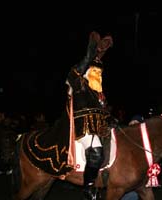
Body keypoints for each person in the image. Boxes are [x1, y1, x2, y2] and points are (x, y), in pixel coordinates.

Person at [66, 31, 113, 200]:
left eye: (100, 73)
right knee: (96, 152)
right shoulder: (78, 81)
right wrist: (93, 49)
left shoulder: (99, 96)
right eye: (95, 72)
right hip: (83, 123)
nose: (99, 76)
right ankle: (88, 187)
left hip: (98, 124)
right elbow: (84, 63)